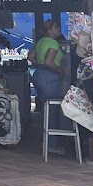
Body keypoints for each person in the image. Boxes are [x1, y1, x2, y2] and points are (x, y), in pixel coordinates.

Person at [28, 19, 65, 152]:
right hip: (49, 77)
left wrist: (40, 64)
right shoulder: (53, 43)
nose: (58, 28)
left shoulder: (41, 42)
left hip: (38, 75)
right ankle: (51, 145)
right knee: (52, 110)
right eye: (55, 27)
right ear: (49, 30)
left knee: (45, 108)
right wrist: (60, 71)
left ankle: (45, 141)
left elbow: (30, 57)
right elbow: (49, 62)